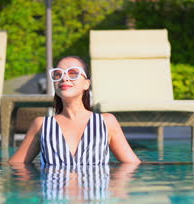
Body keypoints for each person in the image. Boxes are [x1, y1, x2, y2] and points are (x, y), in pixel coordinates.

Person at [8, 55, 140, 165]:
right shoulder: (41, 125)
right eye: (58, 74)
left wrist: (114, 190)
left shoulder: (106, 122)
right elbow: (15, 167)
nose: (64, 78)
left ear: (86, 84)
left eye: (73, 73)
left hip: (94, 197)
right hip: (54, 196)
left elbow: (132, 165)